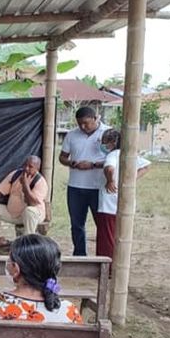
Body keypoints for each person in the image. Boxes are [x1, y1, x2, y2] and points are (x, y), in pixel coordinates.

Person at [58, 106, 109, 256]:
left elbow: (115, 159)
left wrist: (93, 165)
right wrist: (72, 163)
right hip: (75, 186)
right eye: (79, 123)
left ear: (95, 118)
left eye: (86, 123)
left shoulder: (108, 133)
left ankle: (103, 255)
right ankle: (80, 255)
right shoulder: (72, 135)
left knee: (102, 224)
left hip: (99, 186)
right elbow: (62, 157)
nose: (83, 126)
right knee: (76, 224)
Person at [96, 129, 151, 259]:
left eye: (105, 142)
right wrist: (131, 179)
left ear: (113, 142)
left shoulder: (113, 155)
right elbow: (146, 165)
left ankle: (108, 265)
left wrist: (110, 181)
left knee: (107, 237)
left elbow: (109, 168)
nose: (103, 145)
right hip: (126, 203)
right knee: (121, 235)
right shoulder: (128, 155)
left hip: (109, 204)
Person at [0, 156, 49, 249]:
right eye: (25, 165)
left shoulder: (40, 182)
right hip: (13, 213)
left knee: (29, 211)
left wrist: (25, 185)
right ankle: (1, 239)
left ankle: (27, 243)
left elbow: (32, 203)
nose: (26, 168)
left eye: (30, 167)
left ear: (37, 168)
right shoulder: (16, 174)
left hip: (32, 215)